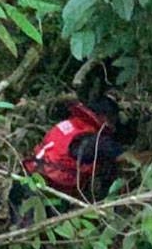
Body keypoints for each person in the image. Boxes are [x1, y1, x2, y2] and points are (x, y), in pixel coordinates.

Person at [8, 95, 128, 223]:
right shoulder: (95, 140)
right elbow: (127, 158)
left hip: (24, 180)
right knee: (35, 236)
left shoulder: (70, 125)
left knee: (19, 233)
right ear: (105, 118)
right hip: (45, 191)